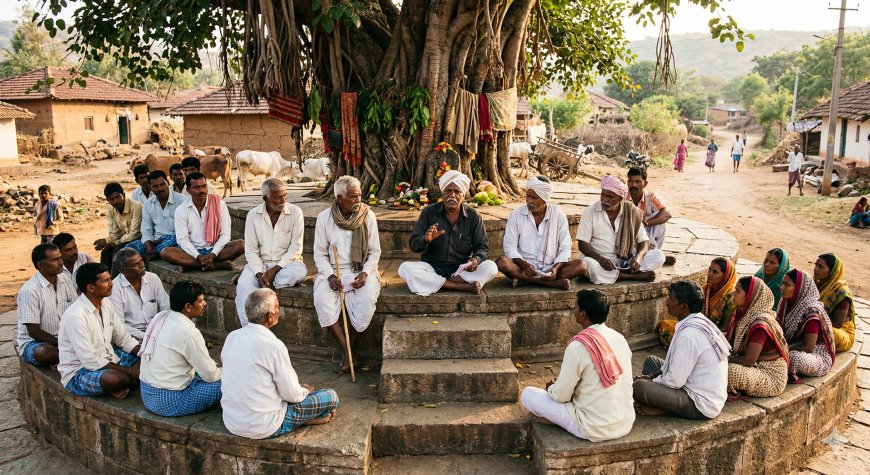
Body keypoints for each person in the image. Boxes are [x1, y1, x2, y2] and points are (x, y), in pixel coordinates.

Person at [221, 288, 339, 439]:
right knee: (331, 396)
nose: (279, 310)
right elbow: (293, 395)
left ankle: (300, 417)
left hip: (232, 422)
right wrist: (305, 391)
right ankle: (299, 420)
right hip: (264, 426)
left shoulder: (232, 336)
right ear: (269, 317)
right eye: (277, 307)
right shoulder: (273, 345)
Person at [520, 289, 634, 441]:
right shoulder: (620, 338)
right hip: (624, 423)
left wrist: (552, 388)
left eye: (576, 307)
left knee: (527, 394)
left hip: (593, 428)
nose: (574, 310)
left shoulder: (577, 346)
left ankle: (561, 422)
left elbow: (560, 396)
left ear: (583, 314)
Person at [313, 176, 381, 374]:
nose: (358, 200)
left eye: (359, 195)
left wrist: (366, 273)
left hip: (361, 271)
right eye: (353, 197)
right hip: (333, 272)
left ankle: (347, 352)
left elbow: (375, 252)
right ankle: (348, 351)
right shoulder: (324, 218)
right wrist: (330, 276)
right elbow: (318, 254)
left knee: (367, 301)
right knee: (322, 300)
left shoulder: (368, 216)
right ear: (340, 198)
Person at [634, 281, 730, 419]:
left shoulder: (689, 335)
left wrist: (650, 382)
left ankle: (664, 409)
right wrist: (650, 376)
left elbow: (674, 382)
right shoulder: (698, 320)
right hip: (693, 386)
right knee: (651, 362)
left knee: (639, 387)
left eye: (671, 298)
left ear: (683, 306)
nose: (667, 302)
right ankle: (662, 405)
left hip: (699, 404)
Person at [399, 171, 498, 295]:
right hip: (432, 267)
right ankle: (462, 287)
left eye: (457, 191)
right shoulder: (429, 212)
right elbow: (414, 245)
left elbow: (482, 247)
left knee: (491, 267)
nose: (452, 195)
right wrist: (426, 239)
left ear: (463, 195)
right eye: (448, 190)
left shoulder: (473, 216)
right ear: (442, 193)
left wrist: (476, 260)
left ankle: (440, 283)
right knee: (404, 269)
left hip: (461, 270)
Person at [57, 263, 141, 399]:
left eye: (110, 279)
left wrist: (145, 354)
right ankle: (120, 384)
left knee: (150, 360)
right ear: (90, 287)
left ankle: (123, 384)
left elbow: (124, 339)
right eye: (105, 281)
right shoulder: (76, 316)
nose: (111, 284)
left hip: (110, 359)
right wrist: (131, 371)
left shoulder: (106, 304)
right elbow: (90, 361)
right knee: (114, 379)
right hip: (81, 371)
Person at [139, 281, 222, 417]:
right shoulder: (188, 332)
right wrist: (225, 372)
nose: (205, 304)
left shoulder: (160, 317)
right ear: (188, 307)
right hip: (170, 401)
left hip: (147, 393)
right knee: (230, 380)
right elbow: (211, 375)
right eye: (201, 301)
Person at [236, 178, 308, 326]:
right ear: (265, 198)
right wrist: (258, 273)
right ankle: (248, 328)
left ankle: (266, 283)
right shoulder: (253, 215)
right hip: (260, 264)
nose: (283, 200)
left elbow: (296, 247)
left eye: (285, 195)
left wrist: (275, 269)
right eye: (277, 197)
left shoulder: (296, 212)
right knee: (243, 287)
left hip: (286, 265)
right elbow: (250, 250)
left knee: (300, 272)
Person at [496, 176, 586, 290]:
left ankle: (524, 280)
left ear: (545, 198)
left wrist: (555, 268)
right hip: (523, 267)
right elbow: (509, 247)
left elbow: (565, 247)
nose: (529, 201)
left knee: (581, 265)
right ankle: (550, 284)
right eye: (527, 196)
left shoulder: (558, 214)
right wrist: (524, 265)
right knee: (502, 262)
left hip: (550, 268)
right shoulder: (516, 215)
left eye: (534, 198)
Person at [576, 176, 665, 284]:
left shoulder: (631, 212)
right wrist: (601, 260)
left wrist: (638, 258)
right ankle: (632, 276)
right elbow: (582, 244)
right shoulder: (590, 212)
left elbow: (644, 242)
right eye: (603, 194)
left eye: (610, 196)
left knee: (658, 256)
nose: (604, 199)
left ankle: (618, 274)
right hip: (598, 260)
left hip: (625, 261)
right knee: (586, 264)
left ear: (620, 198)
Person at [161, 172, 244, 271]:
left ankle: (193, 266)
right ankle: (217, 265)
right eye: (196, 188)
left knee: (241, 245)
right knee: (166, 252)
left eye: (204, 186)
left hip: (216, 250)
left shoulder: (219, 204)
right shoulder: (181, 209)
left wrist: (213, 254)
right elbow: (182, 239)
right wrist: (197, 256)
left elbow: (225, 234)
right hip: (192, 252)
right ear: (188, 190)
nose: (202, 190)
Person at [726, 276, 790, 398]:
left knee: (729, 372)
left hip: (770, 375)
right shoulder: (744, 315)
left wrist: (724, 361)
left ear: (750, 296)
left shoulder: (760, 324)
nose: (733, 294)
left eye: (738, 291)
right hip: (756, 366)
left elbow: (749, 360)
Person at [15, 243, 77, 367]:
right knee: (45, 353)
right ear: (41, 265)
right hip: (36, 342)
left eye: (60, 258)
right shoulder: (30, 290)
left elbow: (76, 310)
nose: (60, 262)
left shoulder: (64, 279)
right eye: (55, 259)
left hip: (63, 339)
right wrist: (62, 343)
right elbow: (34, 332)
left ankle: (67, 358)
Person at [658, 257, 736, 347]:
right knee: (664, 326)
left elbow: (725, 327)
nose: (709, 274)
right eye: (710, 270)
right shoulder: (705, 289)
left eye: (715, 272)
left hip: (715, 335)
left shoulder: (730, 296)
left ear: (725, 276)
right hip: (699, 328)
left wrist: (703, 332)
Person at [777, 269, 836, 381]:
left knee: (794, 359)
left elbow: (808, 347)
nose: (782, 287)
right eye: (783, 283)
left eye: (787, 285)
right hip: (791, 346)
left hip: (815, 354)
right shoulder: (785, 302)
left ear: (800, 289)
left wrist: (780, 351)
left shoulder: (812, 311)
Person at [108, 248, 170, 340]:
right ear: (123, 270)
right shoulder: (115, 289)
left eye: (141, 261)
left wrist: (162, 330)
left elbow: (166, 308)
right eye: (135, 265)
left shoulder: (153, 278)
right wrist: (147, 337)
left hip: (158, 331)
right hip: (132, 337)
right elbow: (119, 325)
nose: (142, 266)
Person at [125, 170, 186, 262]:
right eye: (155, 186)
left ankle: (156, 253)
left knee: (166, 246)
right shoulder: (148, 204)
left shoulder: (183, 201)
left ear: (168, 183)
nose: (160, 188)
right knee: (127, 251)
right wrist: (149, 246)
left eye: (162, 184)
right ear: (150, 187)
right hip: (155, 241)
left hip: (176, 240)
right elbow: (146, 229)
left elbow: (186, 230)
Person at [93, 182, 142, 270]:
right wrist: (106, 241)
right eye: (112, 199)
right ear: (108, 200)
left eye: (118, 197)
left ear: (123, 194)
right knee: (106, 251)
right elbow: (116, 233)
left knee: (118, 250)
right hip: (124, 239)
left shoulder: (136, 206)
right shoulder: (111, 210)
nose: (115, 201)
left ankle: (114, 279)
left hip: (139, 239)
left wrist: (115, 243)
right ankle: (104, 276)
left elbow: (135, 233)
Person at [814, 254, 856, 352]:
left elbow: (837, 324)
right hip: (820, 327)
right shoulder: (817, 284)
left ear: (833, 271)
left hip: (841, 332)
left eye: (821, 267)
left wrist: (812, 330)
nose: (816, 269)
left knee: (832, 334)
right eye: (816, 265)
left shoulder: (841, 292)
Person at [626, 167, 672, 252]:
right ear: (627, 182)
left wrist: (645, 223)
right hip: (628, 234)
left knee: (660, 219)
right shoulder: (622, 197)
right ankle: (651, 254)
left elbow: (667, 214)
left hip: (645, 230)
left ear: (645, 184)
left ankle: (653, 252)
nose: (634, 185)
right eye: (631, 181)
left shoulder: (651, 197)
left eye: (638, 182)